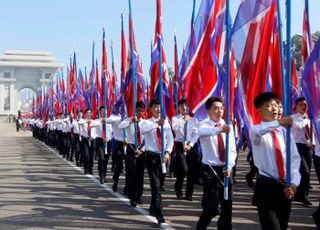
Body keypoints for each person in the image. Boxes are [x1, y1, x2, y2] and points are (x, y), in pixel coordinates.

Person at [250, 92, 301, 230]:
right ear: (259, 110)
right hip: (266, 186)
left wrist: (294, 183)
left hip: (285, 185)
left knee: (282, 226)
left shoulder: (285, 133)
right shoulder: (256, 131)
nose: (275, 109)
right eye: (269, 106)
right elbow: (259, 131)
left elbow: (295, 161)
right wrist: (279, 121)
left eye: (277, 106)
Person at [196, 97, 237, 230]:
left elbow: (232, 150)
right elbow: (202, 132)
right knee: (212, 208)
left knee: (227, 208)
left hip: (226, 170)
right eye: (216, 108)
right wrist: (219, 130)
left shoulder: (227, 126)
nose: (219, 111)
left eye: (221, 108)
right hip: (210, 170)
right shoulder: (204, 124)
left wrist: (229, 165)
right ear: (208, 110)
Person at [139, 98, 174, 224]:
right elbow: (143, 131)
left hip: (163, 157)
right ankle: (159, 213)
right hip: (151, 156)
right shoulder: (146, 123)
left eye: (159, 106)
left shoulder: (166, 123)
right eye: (155, 107)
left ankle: (153, 205)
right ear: (150, 109)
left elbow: (170, 139)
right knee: (155, 185)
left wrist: (168, 152)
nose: (157, 109)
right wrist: (156, 124)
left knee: (159, 185)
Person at [119, 101, 146, 207]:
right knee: (132, 173)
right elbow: (121, 126)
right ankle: (132, 196)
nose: (140, 113)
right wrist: (130, 121)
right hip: (131, 148)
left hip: (141, 149)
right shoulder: (129, 119)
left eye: (142, 111)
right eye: (139, 110)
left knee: (140, 174)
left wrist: (142, 150)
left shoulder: (145, 122)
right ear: (135, 110)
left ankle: (139, 195)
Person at [172, 98, 199, 201]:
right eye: (182, 105)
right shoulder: (176, 118)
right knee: (184, 169)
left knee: (192, 171)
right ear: (178, 107)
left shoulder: (194, 119)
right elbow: (174, 128)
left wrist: (190, 145)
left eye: (186, 105)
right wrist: (183, 120)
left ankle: (189, 194)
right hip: (180, 145)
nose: (184, 107)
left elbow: (196, 134)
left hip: (191, 146)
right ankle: (178, 188)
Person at [291, 97, 313, 205]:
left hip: (307, 146)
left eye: (305, 105)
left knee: (307, 171)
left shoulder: (309, 118)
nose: (303, 107)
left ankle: (301, 194)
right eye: (301, 105)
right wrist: (306, 119)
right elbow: (298, 126)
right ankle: (303, 195)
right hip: (296, 146)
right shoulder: (293, 117)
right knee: (304, 171)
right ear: (296, 106)